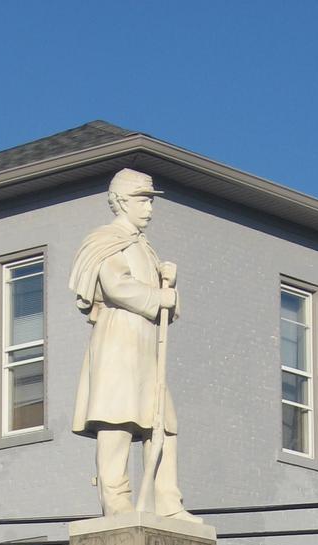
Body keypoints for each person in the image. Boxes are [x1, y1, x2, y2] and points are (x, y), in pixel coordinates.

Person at [69, 168, 199, 521]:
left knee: (163, 423)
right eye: (143, 200)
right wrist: (162, 294)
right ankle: (117, 503)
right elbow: (117, 287)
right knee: (117, 421)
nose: (149, 208)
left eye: (151, 201)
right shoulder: (107, 240)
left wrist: (169, 286)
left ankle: (168, 502)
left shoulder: (147, 249)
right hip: (118, 339)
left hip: (146, 344)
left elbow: (165, 307)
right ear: (121, 201)